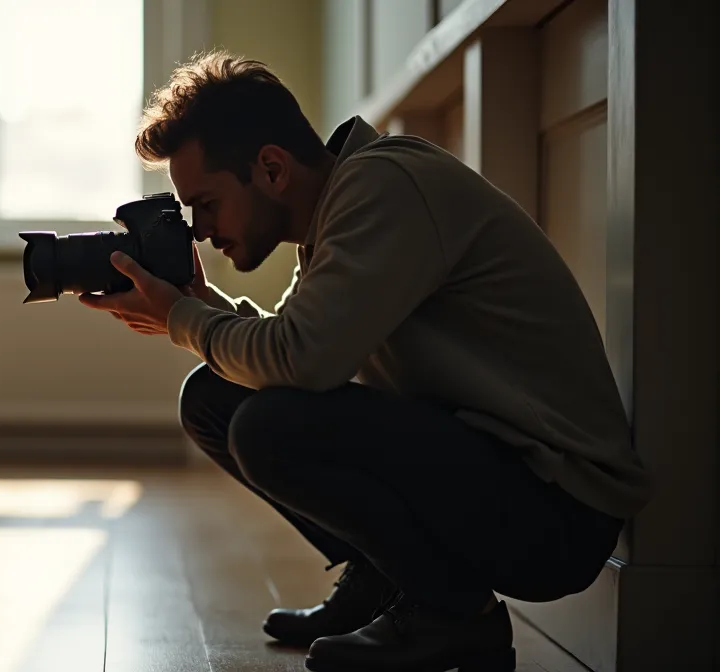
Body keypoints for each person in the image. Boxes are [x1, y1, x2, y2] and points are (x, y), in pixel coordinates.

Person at [79, 50, 651, 672]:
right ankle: (388, 581)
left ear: (270, 168)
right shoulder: (340, 208)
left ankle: (455, 615)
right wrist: (198, 306)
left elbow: (300, 360)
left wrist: (182, 320)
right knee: (214, 398)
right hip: (497, 473)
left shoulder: (384, 189)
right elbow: (296, 346)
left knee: (268, 426)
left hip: (556, 511)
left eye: (207, 203)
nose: (198, 229)